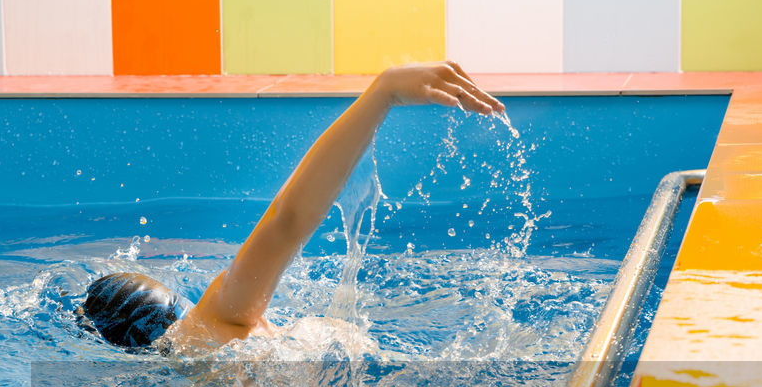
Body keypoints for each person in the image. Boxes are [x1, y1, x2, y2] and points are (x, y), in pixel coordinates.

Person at [79, 62, 504, 351]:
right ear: (175, 306)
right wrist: (383, 92)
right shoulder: (219, 321)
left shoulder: (192, 358)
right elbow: (289, 219)